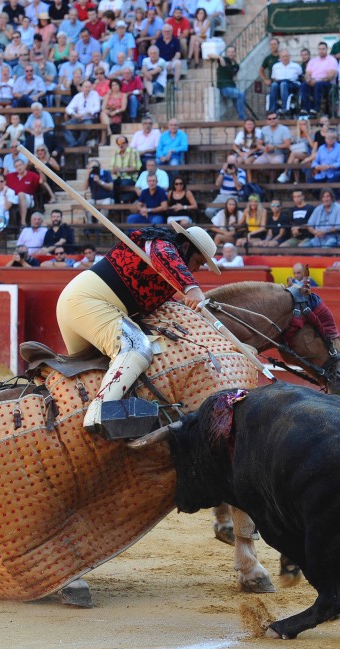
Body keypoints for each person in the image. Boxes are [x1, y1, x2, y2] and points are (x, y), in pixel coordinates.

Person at [55, 223, 219, 437]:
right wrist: (192, 288)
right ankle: (100, 414)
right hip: (88, 302)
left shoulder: (163, 271)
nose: (198, 269)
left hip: (82, 304)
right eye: (198, 262)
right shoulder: (160, 244)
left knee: (92, 375)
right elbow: (164, 254)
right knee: (136, 348)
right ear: (185, 247)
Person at [300, 42, 338, 116]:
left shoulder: (331, 60)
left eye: (323, 49)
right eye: (320, 49)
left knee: (318, 85)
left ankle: (315, 108)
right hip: (313, 82)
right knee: (304, 85)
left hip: (327, 83)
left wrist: (316, 81)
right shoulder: (313, 61)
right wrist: (308, 80)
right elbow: (307, 74)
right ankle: (306, 108)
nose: (321, 51)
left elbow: (330, 76)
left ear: (327, 49)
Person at [206, 154, 245, 220]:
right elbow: (217, 184)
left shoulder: (241, 172)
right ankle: (219, 224)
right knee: (209, 211)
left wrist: (233, 174)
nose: (230, 165)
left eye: (232, 163)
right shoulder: (223, 171)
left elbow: (238, 188)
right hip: (222, 196)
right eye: (229, 163)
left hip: (234, 197)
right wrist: (223, 171)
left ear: (236, 162)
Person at [211, 45, 245, 120]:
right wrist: (220, 57)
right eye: (229, 52)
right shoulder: (224, 59)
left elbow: (233, 74)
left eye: (232, 52)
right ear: (226, 53)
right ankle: (242, 117)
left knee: (237, 100)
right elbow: (210, 55)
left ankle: (241, 117)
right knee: (240, 95)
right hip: (224, 87)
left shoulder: (236, 65)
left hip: (232, 87)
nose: (231, 53)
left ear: (235, 53)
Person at [268, 49, 301, 114]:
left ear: (289, 57)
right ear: (280, 58)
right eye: (283, 56)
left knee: (283, 84)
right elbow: (273, 78)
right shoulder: (275, 66)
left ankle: (285, 108)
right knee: (274, 85)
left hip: (291, 84)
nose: (285, 58)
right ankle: (272, 109)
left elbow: (300, 76)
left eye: (286, 56)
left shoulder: (296, 66)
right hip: (279, 83)